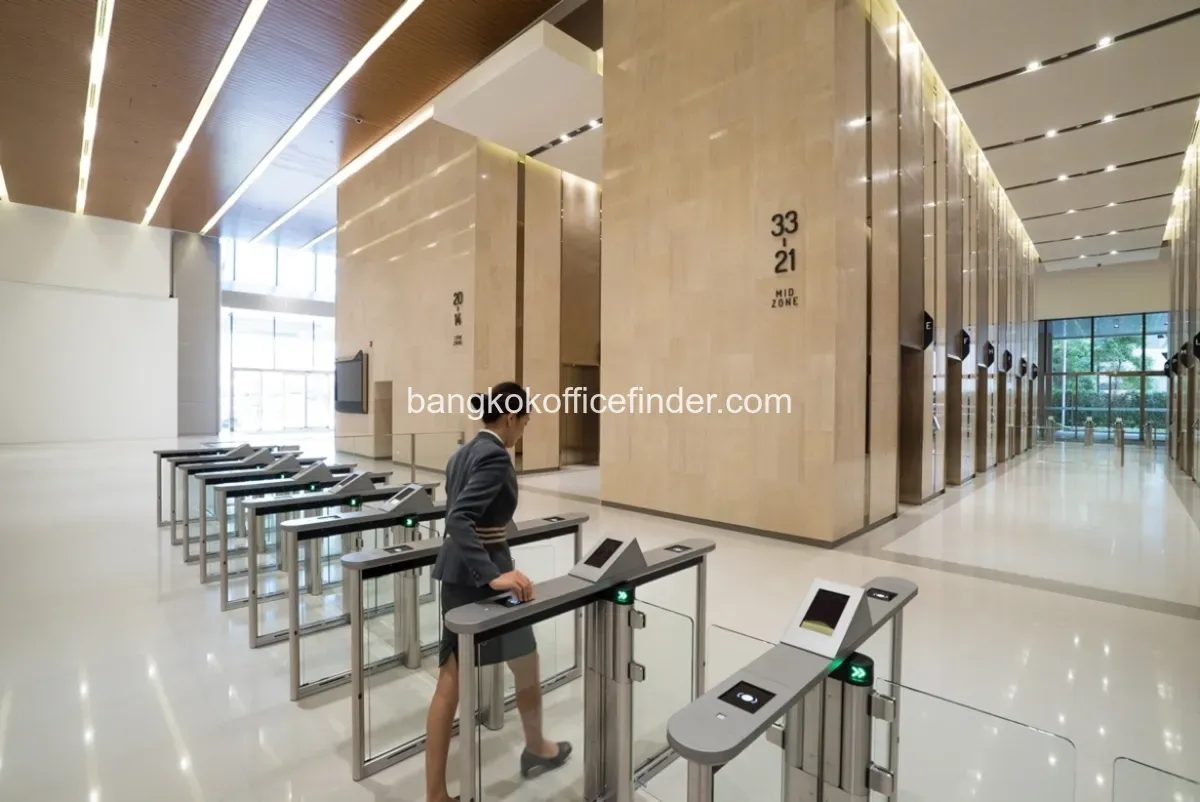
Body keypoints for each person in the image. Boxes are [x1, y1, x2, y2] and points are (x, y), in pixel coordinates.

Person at [425, 382, 571, 802]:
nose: (524, 429)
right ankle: (439, 792)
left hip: (458, 573)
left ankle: (534, 746)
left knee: (513, 662)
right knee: (463, 676)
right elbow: (459, 518)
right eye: (525, 420)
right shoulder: (494, 456)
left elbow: (472, 513)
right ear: (510, 417)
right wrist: (492, 574)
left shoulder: (462, 453)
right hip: (481, 579)